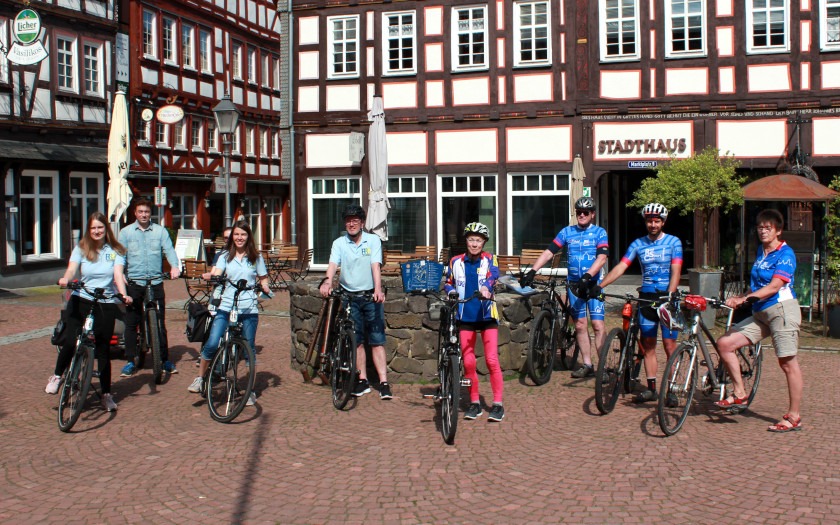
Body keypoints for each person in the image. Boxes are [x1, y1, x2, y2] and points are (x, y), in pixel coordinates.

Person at [716, 209, 803, 432]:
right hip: (761, 312)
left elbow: (774, 286)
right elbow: (756, 286)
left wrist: (744, 298)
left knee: (787, 363)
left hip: (781, 311)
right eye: (760, 227)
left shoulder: (786, 254)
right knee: (725, 344)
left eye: (768, 227)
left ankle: (794, 416)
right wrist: (741, 298)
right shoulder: (761, 251)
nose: (763, 231)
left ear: (778, 230)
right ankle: (740, 393)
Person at [595, 203, 683, 403]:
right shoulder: (638, 244)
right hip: (646, 298)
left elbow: (676, 270)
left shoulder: (673, 242)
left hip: (667, 298)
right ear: (646, 222)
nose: (653, 225)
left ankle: (671, 390)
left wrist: (670, 295)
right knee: (648, 345)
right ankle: (651, 388)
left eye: (657, 221)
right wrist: (600, 286)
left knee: (670, 345)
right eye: (650, 221)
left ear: (663, 222)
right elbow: (621, 266)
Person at [46, 212, 129, 412]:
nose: (97, 231)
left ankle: (106, 395)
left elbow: (118, 274)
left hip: (105, 301)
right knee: (70, 340)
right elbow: (71, 269)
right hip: (81, 298)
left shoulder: (115, 251)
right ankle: (57, 376)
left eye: (100, 227)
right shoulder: (82, 248)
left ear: (105, 229)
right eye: (93, 228)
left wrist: (124, 294)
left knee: (102, 350)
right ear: (88, 230)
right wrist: (66, 279)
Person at [520, 197, 609, 378]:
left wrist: (588, 276)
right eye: (578, 212)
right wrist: (532, 271)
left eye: (586, 212)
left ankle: (604, 368)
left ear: (592, 214)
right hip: (574, 285)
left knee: (598, 326)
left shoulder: (600, 233)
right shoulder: (567, 232)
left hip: (593, 285)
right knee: (580, 325)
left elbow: (602, 258)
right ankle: (587, 364)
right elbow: (549, 252)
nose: (582, 215)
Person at [188, 221, 271, 406]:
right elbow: (217, 272)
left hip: (248, 307)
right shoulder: (225, 255)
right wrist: (212, 276)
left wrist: (264, 286)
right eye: (236, 234)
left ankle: (249, 389)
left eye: (243, 234)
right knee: (212, 342)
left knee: (249, 349)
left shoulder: (255, 257)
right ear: (232, 237)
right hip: (226, 306)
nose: (239, 238)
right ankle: (200, 378)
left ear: (248, 236)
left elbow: (263, 277)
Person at [318, 204, 391, 399]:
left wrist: (377, 289)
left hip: (369, 296)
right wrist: (327, 281)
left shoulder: (373, 240)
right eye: (348, 221)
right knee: (357, 341)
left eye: (355, 220)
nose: (351, 224)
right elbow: (333, 265)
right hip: (349, 297)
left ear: (362, 223)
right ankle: (363, 380)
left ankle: (384, 382)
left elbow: (375, 265)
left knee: (377, 341)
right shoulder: (339, 243)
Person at [445, 222, 504, 421]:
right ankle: (474, 402)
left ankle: (497, 404)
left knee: (491, 360)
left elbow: (493, 275)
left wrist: (487, 287)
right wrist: (450, 291)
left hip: (486, 314)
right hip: (465, 315)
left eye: (478, 240)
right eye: (471, 239)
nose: (474, 244)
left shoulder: (490, 259)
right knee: (469, 362)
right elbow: (448, 282)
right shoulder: (455, 261)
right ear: (466, 241)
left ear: (484, 242)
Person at [116, 198, 181, 377]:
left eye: (146, 212)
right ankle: (130, 361)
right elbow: (120, 256)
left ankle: (165, 359)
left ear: (150, 213)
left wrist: (175, 267)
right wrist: (120, 272)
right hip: (135, 283)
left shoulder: (160, 231)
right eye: (140, 212)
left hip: (155, 281)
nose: (144, 215)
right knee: (131, 322)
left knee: (160, 322)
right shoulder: (126, 233)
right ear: (135, 213)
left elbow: (169, 250)